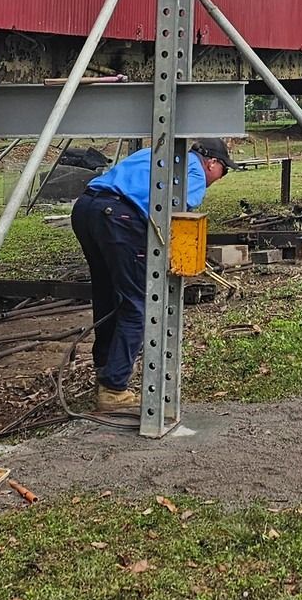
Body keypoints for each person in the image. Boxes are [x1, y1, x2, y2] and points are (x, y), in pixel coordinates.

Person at [70, 138, 233, 412]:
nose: (220, 178)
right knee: (138, 305)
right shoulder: (193, 171)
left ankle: (105, 369)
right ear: (212, 162)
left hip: (87, 209)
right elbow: (179, 217)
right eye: (223, 170)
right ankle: (113, 388)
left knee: (107, 294)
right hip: (119, 218)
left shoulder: (157, 152)